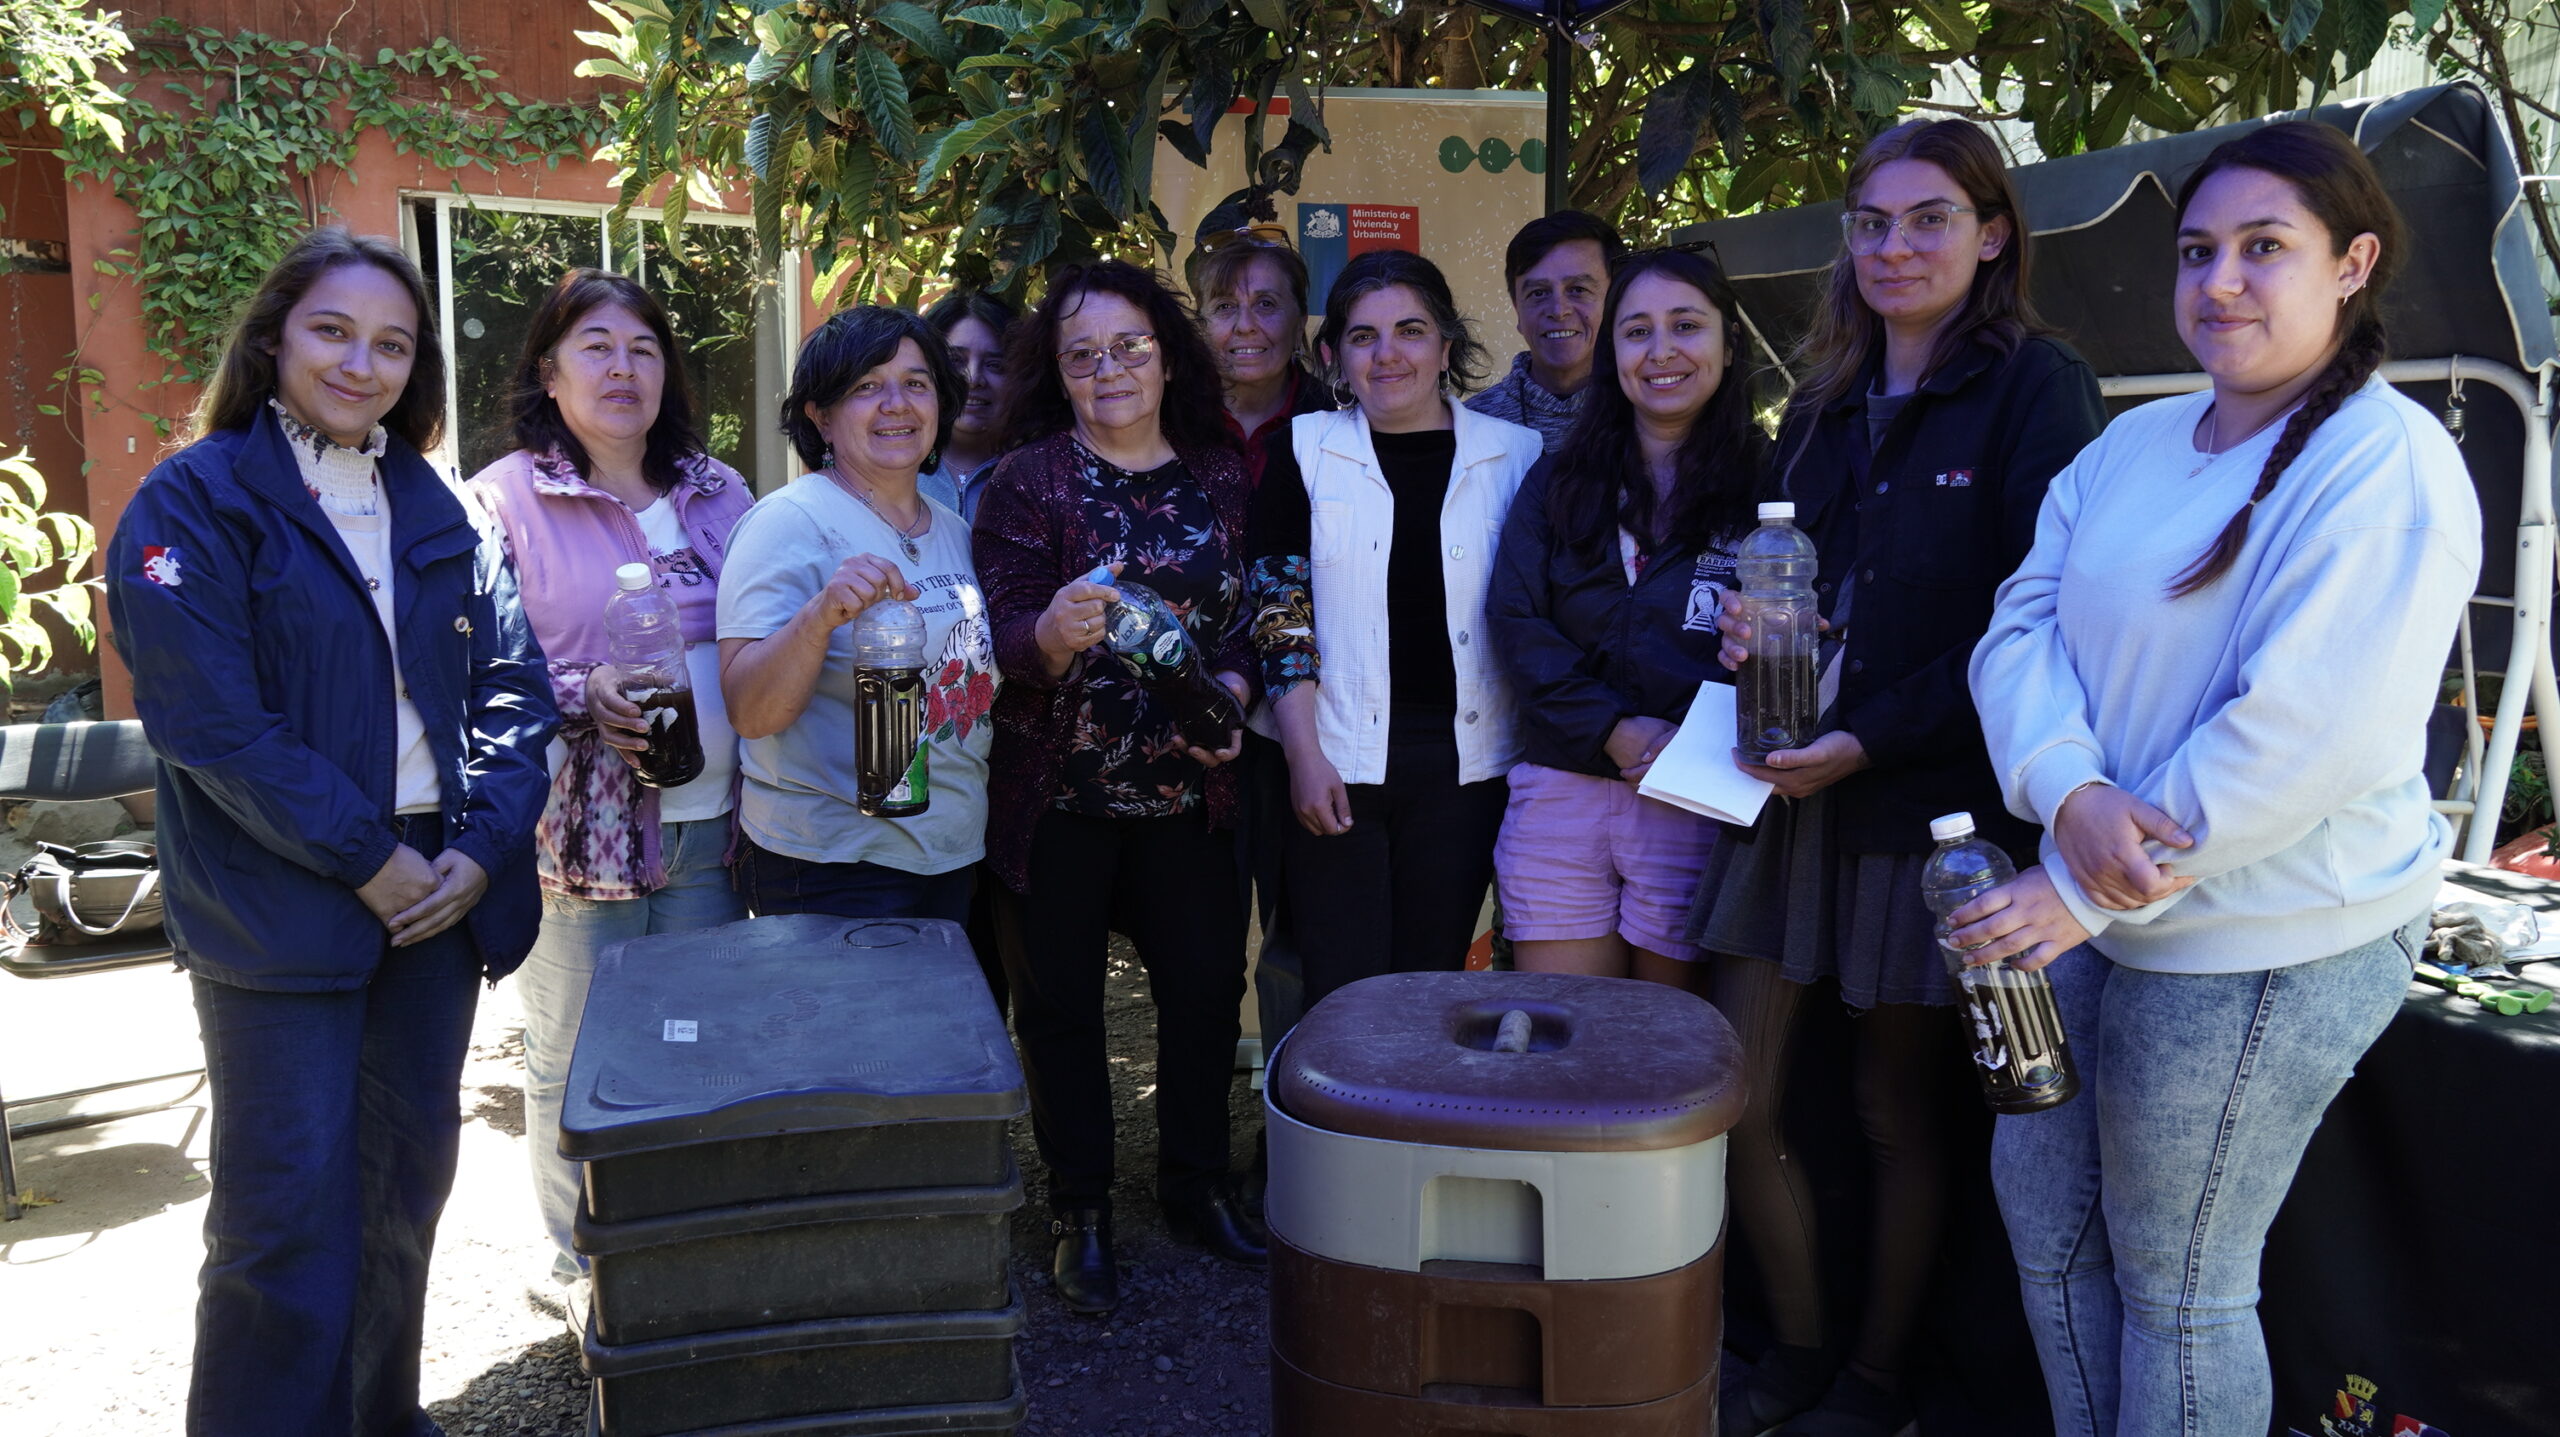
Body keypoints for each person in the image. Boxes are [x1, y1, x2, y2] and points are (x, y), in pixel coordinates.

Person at [1958, 120, 2476, 1437]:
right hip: (2089, 902)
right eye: (2198, 252)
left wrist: (2088, 882)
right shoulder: (2133, 445)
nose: (2220, 282)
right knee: (2048, 1234)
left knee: (2178, 1284)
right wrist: (2070, 791)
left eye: (2264, 248)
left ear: (2352, 264)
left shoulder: (2386, 460)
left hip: (2264, 932)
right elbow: (2018, 626)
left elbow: (2311, 733)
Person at [104, 227, 556, 1436]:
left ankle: (381, 1421)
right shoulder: (194, 499)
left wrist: (478, 850)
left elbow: (516, 688)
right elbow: (209, 724)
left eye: (392, 344)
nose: (363, 364)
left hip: (439, 888)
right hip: (282, 895)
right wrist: (368, 858)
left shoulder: (440, 504)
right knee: (283, 1219)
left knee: (404, 1194)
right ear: (273, 338)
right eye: (334, 332)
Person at [1693, 119, 2107, 1437]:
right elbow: (1790, 587)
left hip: (1928, 807)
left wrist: (1868, 737)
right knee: (1743, 1092)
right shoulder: (1818, 405)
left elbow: (2030, 622)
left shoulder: (2039, 385)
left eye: (1929, 219)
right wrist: (1754, 631)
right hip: (1792, 793)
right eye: (1871, 223)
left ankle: (1875, 1381)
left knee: (1891, 1108)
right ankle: (1796, 1347)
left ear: (1992, 235)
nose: (1894, 247)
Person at [974, 260, 1265, 1316]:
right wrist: (1048, 635)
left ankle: (1196, 1183)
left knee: (1202, 996)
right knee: (1060, 1011)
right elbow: (999, 632)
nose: (1110, 370)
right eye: (1082, 354)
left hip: (1189, 795)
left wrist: (1234, 689)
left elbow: (1251, 618)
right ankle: (1081, 1210)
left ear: (1167, 355)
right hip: (1059, 801)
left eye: (1130, 346)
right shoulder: (1025, 480)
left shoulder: (1220, 474)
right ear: (1056, 373)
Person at [467, 267, 755, 1286]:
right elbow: (479, 664)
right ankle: (581, 1259)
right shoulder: (504, 499)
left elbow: (764, 625)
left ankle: (674, 1241)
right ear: (548, 372)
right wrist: (584, 690)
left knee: (690, 1037)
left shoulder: (719, 491)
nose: (622, 367)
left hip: (712, 823)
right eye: (595, 347)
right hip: (577, 838)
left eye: (642, 348)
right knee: (575, 1052)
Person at [1248, 248, 1540, 1009]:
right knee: (1342, 995)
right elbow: (1280, 617)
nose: (1388, 354)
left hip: (1467, 770)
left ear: (1446, 344)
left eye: (1410, 330)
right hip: (1334, 759)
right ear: (1333, 357)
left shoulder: (1517, 457)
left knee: (1429, 988)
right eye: (1363, 336)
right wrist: (1304, 757)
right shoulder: (1302, 449)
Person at [1487, 248, 1762, 990]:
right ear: (1613, 352)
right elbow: (1516, 618)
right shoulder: (1560, 478)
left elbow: (1797, 637)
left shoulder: (1773, 483)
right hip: (1562, 783)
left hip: (1698, 789)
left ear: (1728, 342)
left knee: (1667, 1037)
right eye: (1637, 331)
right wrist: (1610, 727)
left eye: (1686, 326)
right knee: (1566, 1031)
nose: (1661, 351)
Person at [716, 307, 995, 923]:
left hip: (950, 852)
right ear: (821, 416)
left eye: (916, 383)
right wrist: (820, 616)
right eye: (867, 386)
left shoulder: (954, 530)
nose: (897, 404)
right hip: (834, 864)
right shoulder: (787, 521)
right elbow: (751, 712)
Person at [1467, 209, 1626, 453]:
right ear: (1517, 310)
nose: (1558, 311)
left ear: (1616, 300)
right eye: (1538, 293)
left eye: (1578, 290)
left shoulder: (1650, 413)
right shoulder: (1471, 427)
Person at [1192, 232, 1331, 486]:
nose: (1245, 326)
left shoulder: (1340, 421)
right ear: (1202, 327)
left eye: (1266, 304)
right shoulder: (1170, 420)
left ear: (1299, 325)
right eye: (1225, 306)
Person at [920, 287, 1018, 521]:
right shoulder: (893, 469)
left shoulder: (1039, 476)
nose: (973, 378)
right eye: (955, 361)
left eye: (995, 365)